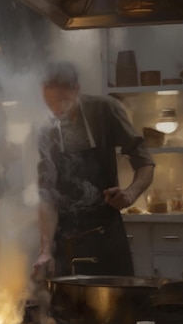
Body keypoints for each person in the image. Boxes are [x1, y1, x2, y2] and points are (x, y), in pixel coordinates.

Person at [33, 60, 154, 278]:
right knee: (65, 309)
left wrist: (130, 193)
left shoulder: (105, 110)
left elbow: (145, 161)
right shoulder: (46, 129)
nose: (57, 109)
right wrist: (44, 251)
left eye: (62, 101)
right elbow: (46, 196)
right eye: (50, 104)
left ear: (77, 89)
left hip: (106, 235)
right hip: (66, 237)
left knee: (117, 308)